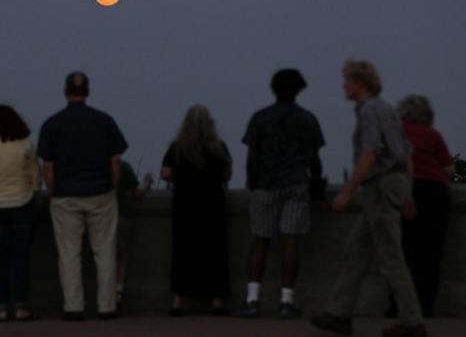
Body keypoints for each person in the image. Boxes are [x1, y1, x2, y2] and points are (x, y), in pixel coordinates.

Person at [311, 59, 427, 337]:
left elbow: (371, 153)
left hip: (381, 187)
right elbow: (406, 155)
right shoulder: (387, 109)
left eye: (347, 80)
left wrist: (348, 191)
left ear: (359, 84)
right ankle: (339, 313)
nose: (343, 85)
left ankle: (413, 322)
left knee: (390, 258)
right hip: (392, 186)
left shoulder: (369, 112)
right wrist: (408, 196)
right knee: (356, 250)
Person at [37, 71, 128, 321]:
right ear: (88, 92)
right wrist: (111, 186)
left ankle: (73, 307)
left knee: (69, 254)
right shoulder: (104, 121)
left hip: (66, 195)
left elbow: (47, 166)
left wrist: (55, 192)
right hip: (101, 193)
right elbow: (116, 159)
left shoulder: (52, 124)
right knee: (105, 253)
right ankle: (107, 306)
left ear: (65, 92)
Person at [235, 69, 325, 319]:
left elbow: (252, 157)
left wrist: (253, 183)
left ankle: (252, 300)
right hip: (297, 183)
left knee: (259, 241)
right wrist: (315, 181)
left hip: (266, 184)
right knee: (290, 241)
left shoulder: (260, 118)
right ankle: (286, 301)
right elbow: (316, 160)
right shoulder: (308, 119)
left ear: (273, 88)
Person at [384, 94, 454, 318]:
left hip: (402, 189)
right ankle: (424, 307)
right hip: (435, 191)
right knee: (429, 254)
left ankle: (397, 307)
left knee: (399, 252)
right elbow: (451, 168)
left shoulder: (394, 131)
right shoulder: (433, 135)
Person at [160, 104, 232, 317]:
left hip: (185, 206)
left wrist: (182, 179)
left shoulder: (177, 148)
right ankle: (217, 302)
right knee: (215, 252)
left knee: (183, 252)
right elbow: (227, 175)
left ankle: (177, 302)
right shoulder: (220, 148)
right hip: (213, 206)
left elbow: (165, 174)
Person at [0, 104, 42, 321]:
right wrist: (33, 195)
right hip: (22, 203)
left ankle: (2, 308)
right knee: (21, 258)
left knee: (0, 259)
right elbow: (35, 176)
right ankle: (21, 307)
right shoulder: (26, 144)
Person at [116, 160, 154, 309]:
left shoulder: (95, 164)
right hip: (122, 216)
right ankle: (118, 293)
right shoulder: (123, 166)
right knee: (122, 255)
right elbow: (136, 193)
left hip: (102, 215)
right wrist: (145, 183)